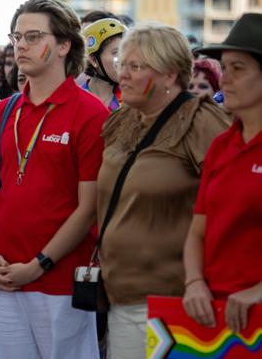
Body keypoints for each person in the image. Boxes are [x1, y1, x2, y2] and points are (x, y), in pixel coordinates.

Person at [0, 0, 109, 358]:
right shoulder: (3, 110)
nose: (21, 46)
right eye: (16, 37)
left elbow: (88, 207)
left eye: (33, 36)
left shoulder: (91, 112)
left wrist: (37, 265)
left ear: (64, 45)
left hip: (59, 281)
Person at [97, 23, 231, 359]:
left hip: (176, 304)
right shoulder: (123, 119)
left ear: (170, 75)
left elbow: (233, 207)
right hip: (119, 300)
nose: (123, 75)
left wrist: (200, 280)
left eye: (135, 66)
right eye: (121, 64)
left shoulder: (202, 122)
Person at [183, 13, 262, 334]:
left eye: (238, 68)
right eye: (224, 67)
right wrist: (194, 282)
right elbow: (197, 232)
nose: (225, 78)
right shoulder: (221, 145)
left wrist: (258, 291)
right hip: (212, 319)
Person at [82, 18, 127, 112]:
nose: (124, 59)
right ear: (94, 60)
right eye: (116, 52)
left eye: (126, 52)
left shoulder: (133, 98)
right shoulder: (76, 100)